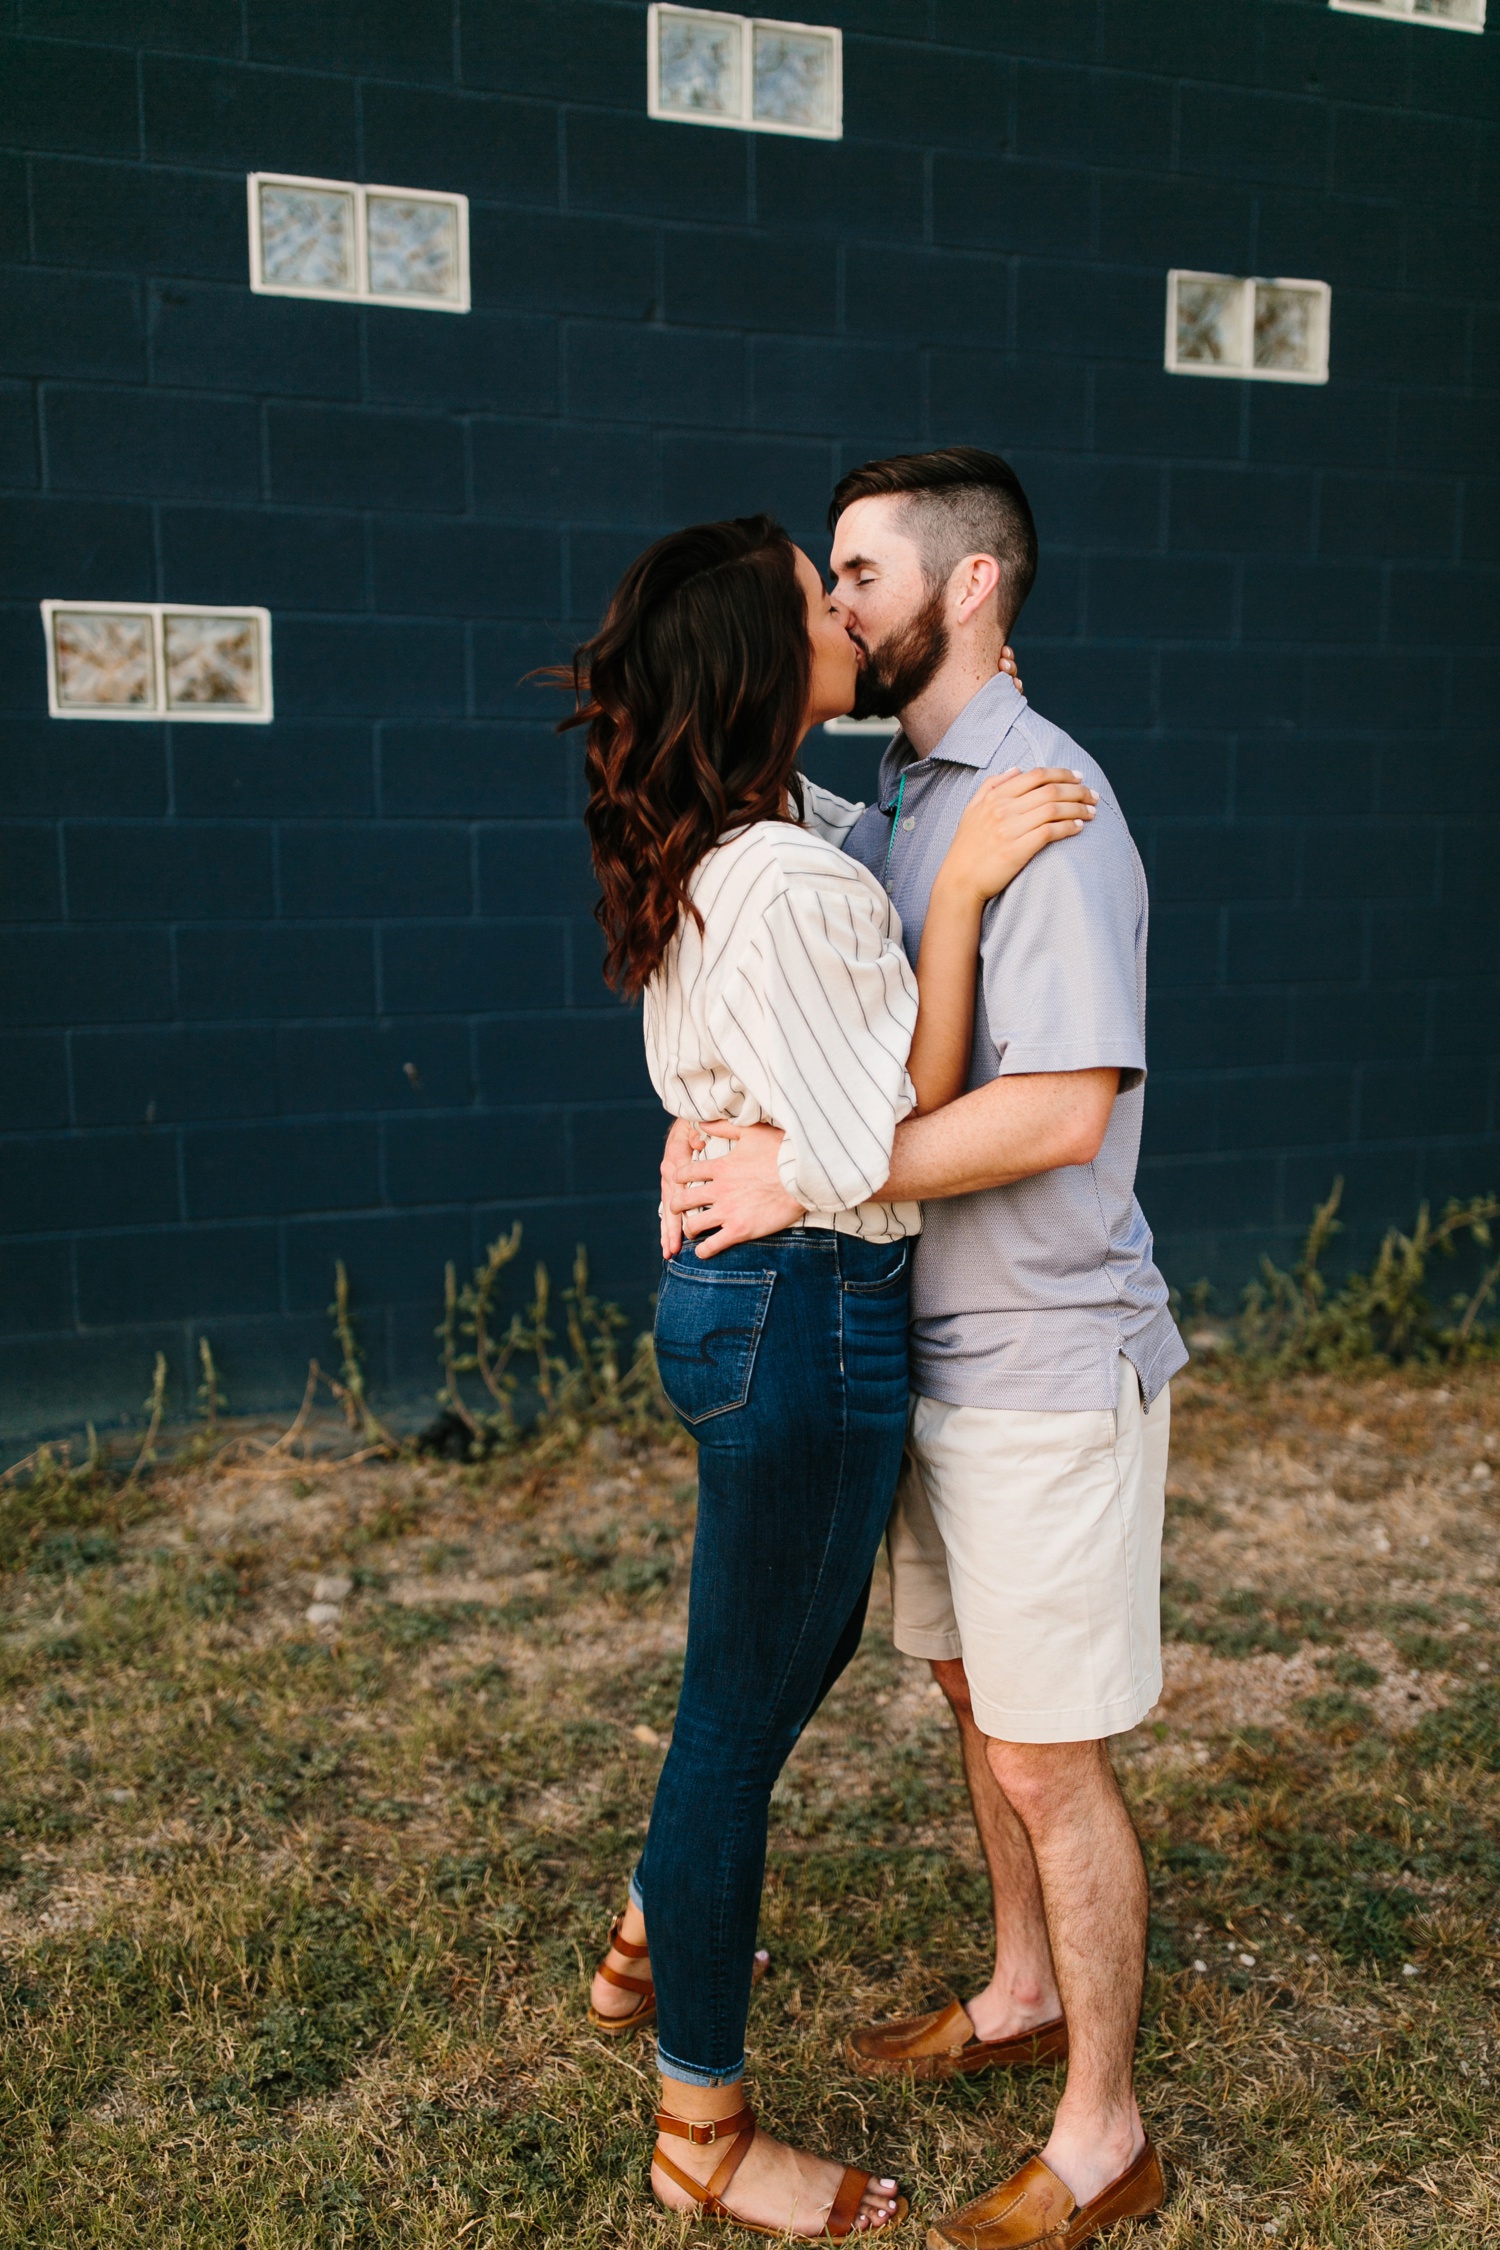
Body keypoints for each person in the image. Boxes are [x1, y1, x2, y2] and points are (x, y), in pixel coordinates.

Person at [659, 449, 1187, 2250]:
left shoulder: (1046, 800)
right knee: (980, 1703)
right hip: (917, 1350)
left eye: (863, 572)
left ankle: (1104, 2128)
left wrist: (803, 1165)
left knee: (1052, 1754)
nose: (843, 600)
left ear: (967, 587)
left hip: (1040, 1350)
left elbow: (1049, 1108)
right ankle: (1022, 1982)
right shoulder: (884, 797)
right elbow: (828, 1016)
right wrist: (728, 1125)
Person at [567, 510, 1096, 2239]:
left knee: (763, 1675)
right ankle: (704, 2130)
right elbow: (885, 1133)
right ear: (761, 657)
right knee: (737, 1719)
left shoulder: (764, 827)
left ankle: (660, 1913)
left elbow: (787, 1082)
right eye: (816, 597)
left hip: (757, 1309)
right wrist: (954, 903)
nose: (841, 608)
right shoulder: (793, 876)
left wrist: (971, 676)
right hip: (805, 1307)